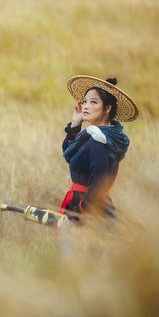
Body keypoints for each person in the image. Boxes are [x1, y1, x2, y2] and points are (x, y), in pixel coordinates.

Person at [59, 75, 139, 221]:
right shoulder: (91, 134)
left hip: (90, 210)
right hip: (84, 204)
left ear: (107, 108)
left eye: (93, 102)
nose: (86, 106)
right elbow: (68, 153)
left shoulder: (99, 140)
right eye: (85, 101)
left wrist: (77, 214)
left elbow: (99, 183)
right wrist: (75, 124)